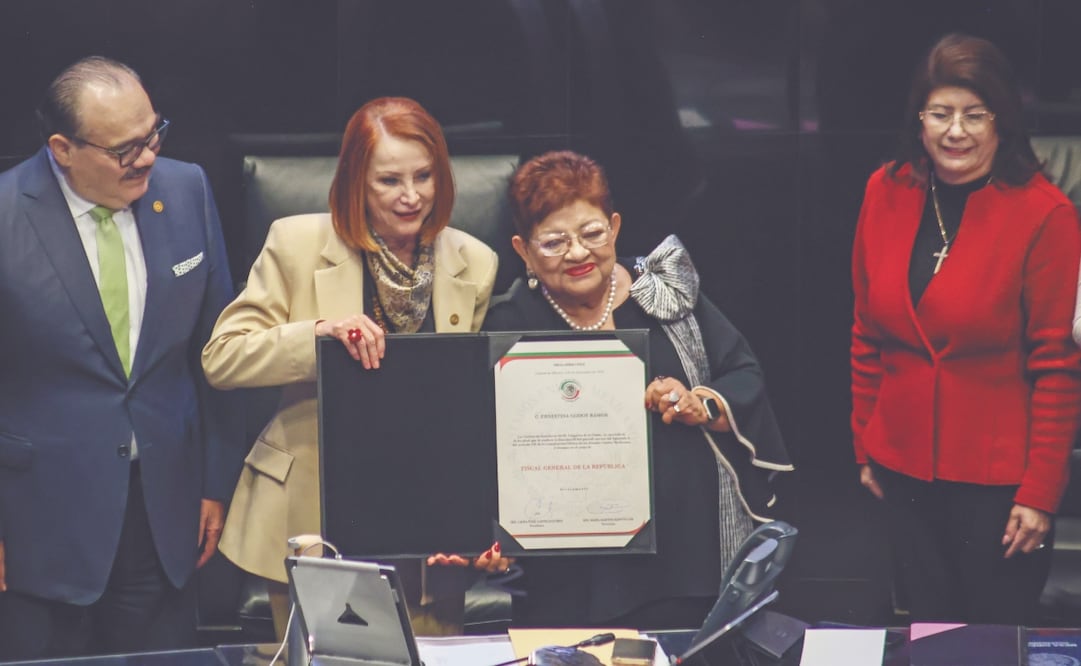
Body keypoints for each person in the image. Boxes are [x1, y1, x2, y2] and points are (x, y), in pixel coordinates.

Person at [201, 96, 504, 637]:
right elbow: (222, 358)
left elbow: (467, 406)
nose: (412, 197)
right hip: (313, 512)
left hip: (427, 529)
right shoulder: (296, 243)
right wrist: (318, 336)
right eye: (389, 181)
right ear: (356, 182)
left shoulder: (474, 262)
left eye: (425, 176)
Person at [481, 150, 792, 629]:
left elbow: (743, 374)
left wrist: (696, 402)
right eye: (554, 242)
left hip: (681, 555)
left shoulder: (666, 293)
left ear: (616, 226)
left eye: (592, 233)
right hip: (568, 570)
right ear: (522, 250)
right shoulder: (506, 325)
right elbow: (479, 444)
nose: (579, 253)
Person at [0, 56, 238, 660]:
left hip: (164, 513)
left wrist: (215, 480)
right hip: (40, 524)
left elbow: (219, 351)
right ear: (63, 148)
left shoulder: (187, 191)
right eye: (126, 149)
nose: (149, 157)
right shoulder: (5, 216)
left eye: (154, 133)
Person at [851, 33, 1081, 624]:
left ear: (1001, 118)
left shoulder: (1044, 214)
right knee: (927, 637)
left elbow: (1057, 368)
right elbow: (865, 332)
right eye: (941, 113)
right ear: (919, 118)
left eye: (975, 114)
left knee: (987, 646)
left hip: (999, 490)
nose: (956, 131)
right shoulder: (886, 189)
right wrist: (865, 441)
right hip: (900, 471)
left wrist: (1039, 494)